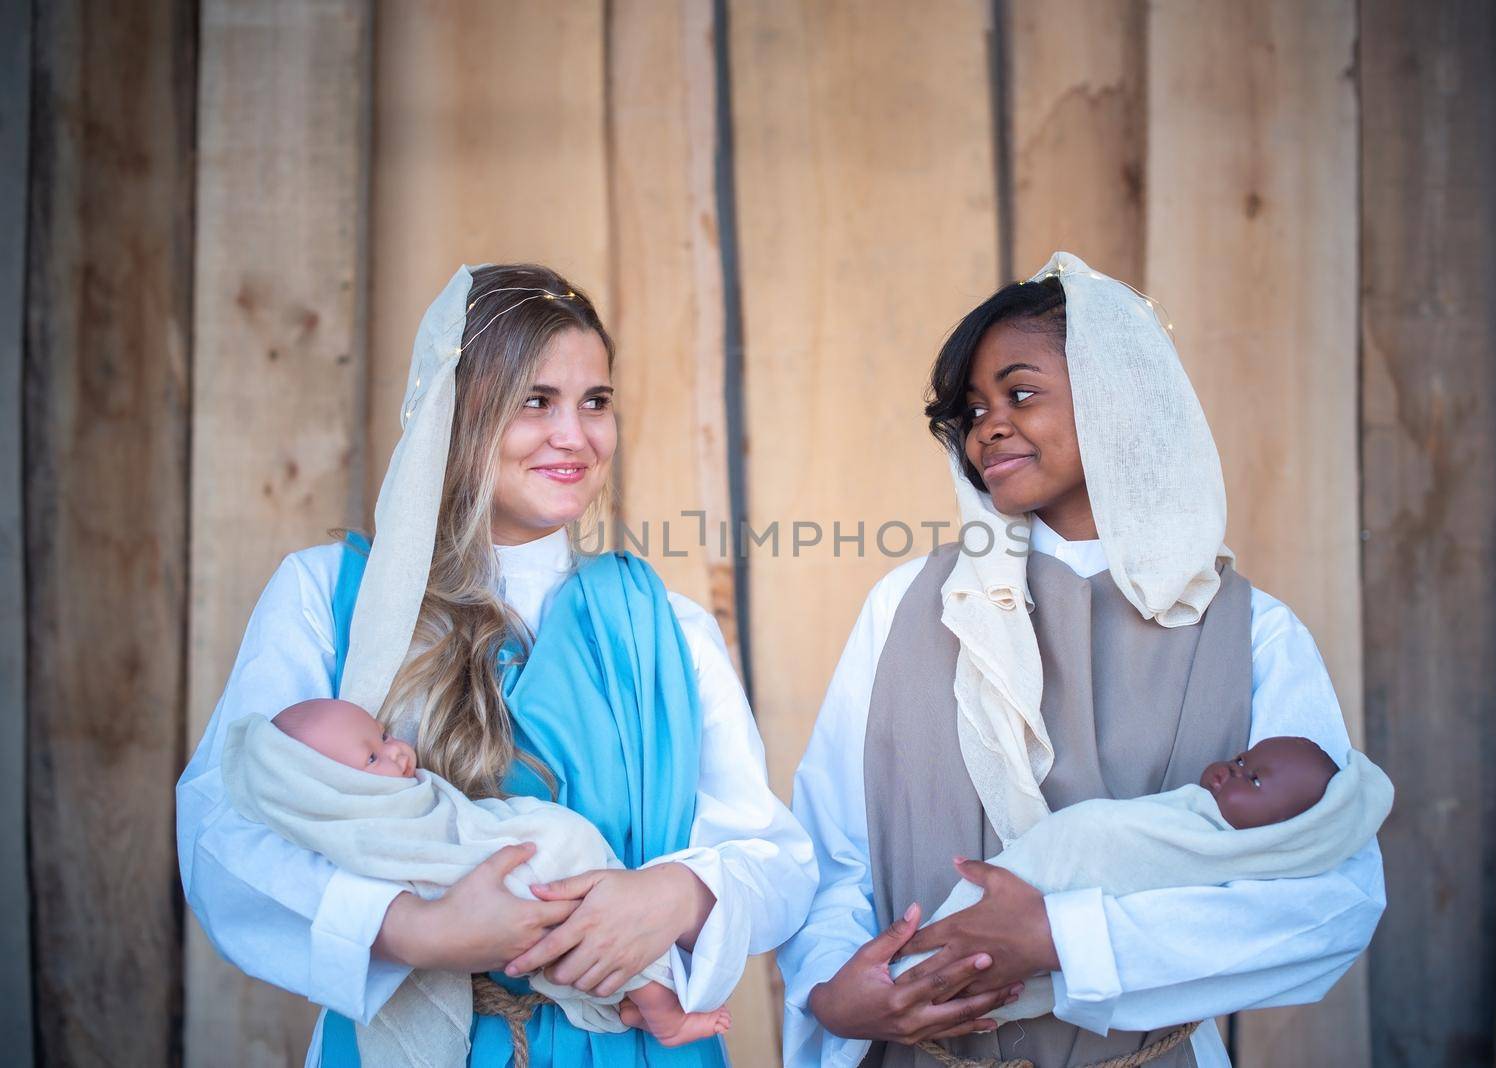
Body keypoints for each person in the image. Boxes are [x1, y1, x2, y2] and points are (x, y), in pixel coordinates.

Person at [178, 263, 817, 1067]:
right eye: (535, 401)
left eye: (596, 403)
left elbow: (778, 863)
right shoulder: (330, 598)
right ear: (455, 408)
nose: (574, 436)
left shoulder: (670, 628)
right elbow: (224, 829)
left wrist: (678, 896)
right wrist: (415, 930)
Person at [778, 253, 1386, 1067]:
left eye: (1020, 392)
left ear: (1119, 396)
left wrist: (1065, 939)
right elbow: (831, 850)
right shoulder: (906, 608)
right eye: (971, 409)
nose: (989, 423)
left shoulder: (1252, 634)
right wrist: (830, 986)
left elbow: (1331, 899)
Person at [223, 698, 731, 1058]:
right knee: (566, 892)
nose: (397, 751)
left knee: (582, 880)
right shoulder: (358, 829)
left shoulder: (404, 793)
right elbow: (232, 851)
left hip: (502, 847)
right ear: (332, 790)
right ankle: (660, 1008)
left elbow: (457, 816)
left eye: (384, 735)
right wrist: (422, 929)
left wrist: (677, 892)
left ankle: (628, 1004)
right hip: (488, 889)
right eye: (372, 757)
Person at [888, 737, 1392, 1035]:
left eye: (1253, 780)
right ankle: (906, 976)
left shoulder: (1227, 857)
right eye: (1240, 760)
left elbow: (1119, 851)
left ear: (1289, 833)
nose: (1228, 773)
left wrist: (1056, 934)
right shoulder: (1188, 812)